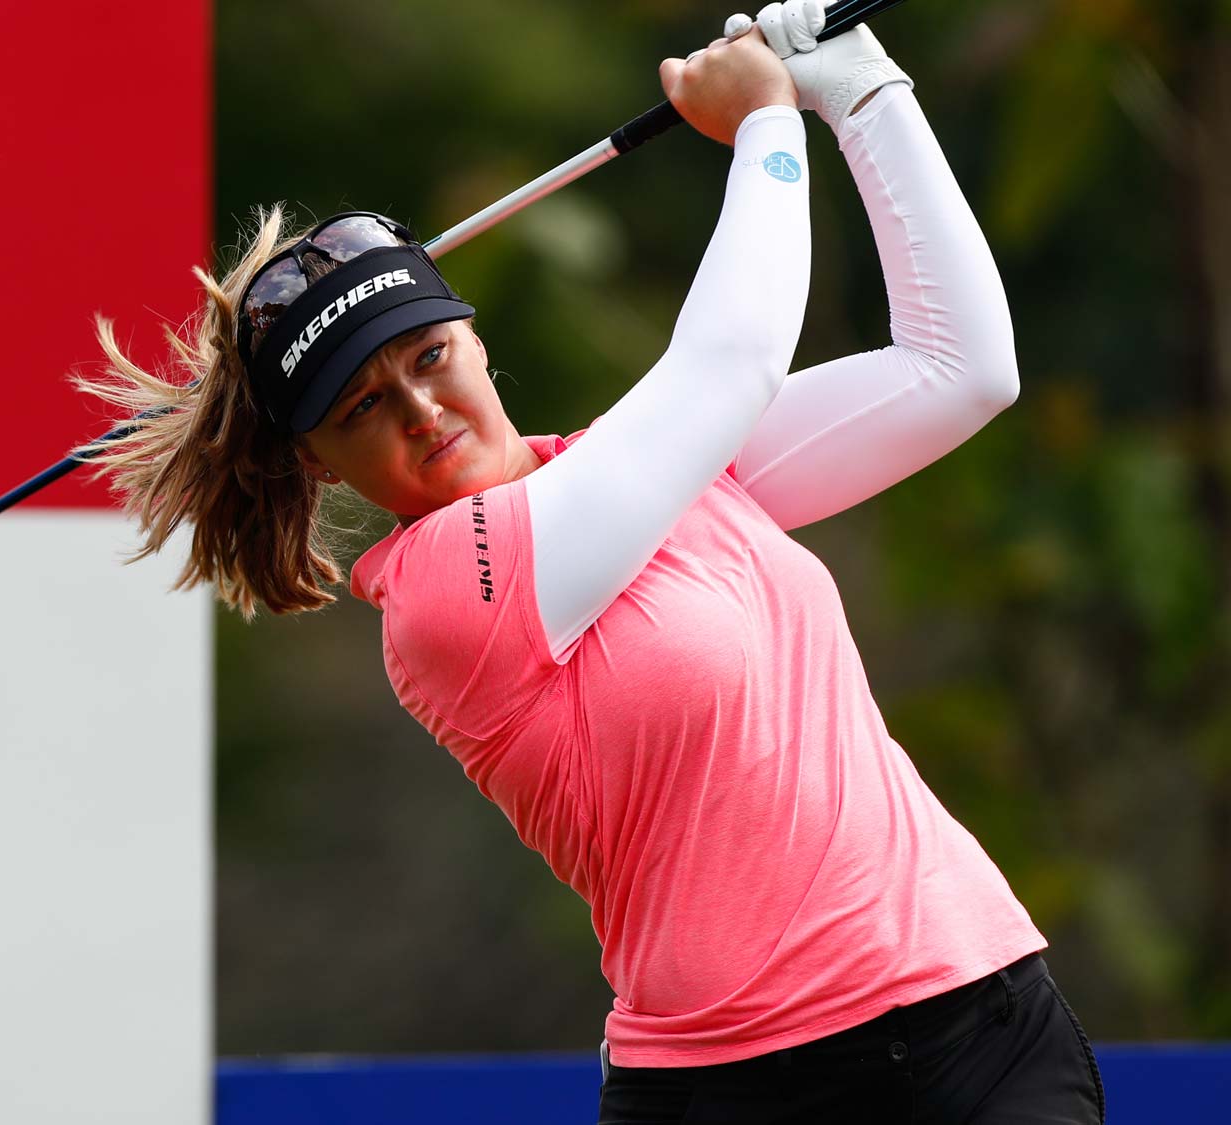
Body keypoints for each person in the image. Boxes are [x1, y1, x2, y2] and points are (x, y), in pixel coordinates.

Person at [75, 3, 1104, 1121]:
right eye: (364, 408)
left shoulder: (654, 470)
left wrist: (859, 88)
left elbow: (959, 369)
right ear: (316, 462)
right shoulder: (440, 599)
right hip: (740, 1092)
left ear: (473, 338)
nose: (420, 410)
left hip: (982, 1024)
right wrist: (764, 121)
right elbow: (733, 361)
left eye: (430, 357)